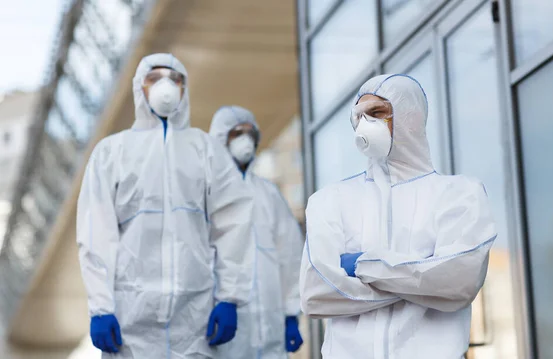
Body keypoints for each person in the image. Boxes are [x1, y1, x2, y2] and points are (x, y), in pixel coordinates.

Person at [299, 74, 496, 358]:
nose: (364, 125)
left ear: (410, 117)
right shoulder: (330, 201)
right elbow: (315, 294)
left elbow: (459, 281)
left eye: (377, 113)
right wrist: (423, 281)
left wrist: (363, 266)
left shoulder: (460, 194)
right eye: (359, 117)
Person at [76, 53, 255, 358]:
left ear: (184, 89)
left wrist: (230, 298)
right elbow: (96, 234)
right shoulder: (112, 152)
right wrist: (101, 307)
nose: (165, 86)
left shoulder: (205, 149)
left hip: (196, 319)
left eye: (175, 79)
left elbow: (234, 224)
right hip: (131, 319)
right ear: (139, 88)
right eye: (154, 78)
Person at [209, 106, 304, 358]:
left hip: (270, 329)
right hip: (222, 328)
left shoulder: (268, 194)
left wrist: (291, 313)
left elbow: (291, 255)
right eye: (236, 132)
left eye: (250, 133)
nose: (245, 139)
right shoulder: (205, 192)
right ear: (219, 138)